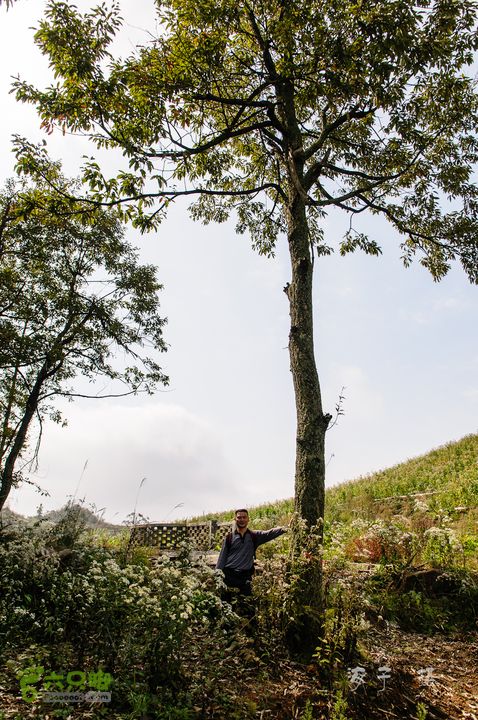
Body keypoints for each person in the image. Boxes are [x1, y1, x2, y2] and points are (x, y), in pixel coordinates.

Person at [216, 508, 287, 600]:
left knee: (247, 606)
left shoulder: (255, 536)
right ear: (235, 519)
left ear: (248, 519)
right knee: (226, 603)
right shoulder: (229, 537)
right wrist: (217, 575)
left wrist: (285, 528)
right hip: (228, 575)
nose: (242, 520)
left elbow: (269, 533)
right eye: (239, 517)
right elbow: (222, 557)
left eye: (244, 517)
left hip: (245, 577)